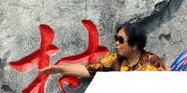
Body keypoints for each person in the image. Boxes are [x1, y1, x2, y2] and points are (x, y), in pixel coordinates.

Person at [38, 22, 166, 80]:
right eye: (116, 38)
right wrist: (60, 69)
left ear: (134, 44)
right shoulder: (116, 61)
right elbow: (89, 70)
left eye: (121, 40)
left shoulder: (152, 62)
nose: (116, 43)